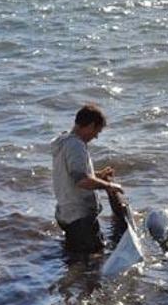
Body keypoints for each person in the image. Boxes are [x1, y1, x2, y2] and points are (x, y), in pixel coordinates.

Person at [51, 104, 122, 258]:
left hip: (66, 213)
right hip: (79, 217)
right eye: (97, 131)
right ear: (90, 126)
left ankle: (76, 279)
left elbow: (72, 174)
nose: (96, 136)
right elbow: (82, 181)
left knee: (76, 257)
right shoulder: (75, 145)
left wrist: (98, 175)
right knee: (92, 260)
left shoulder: (63, 142)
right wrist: (109, 186)